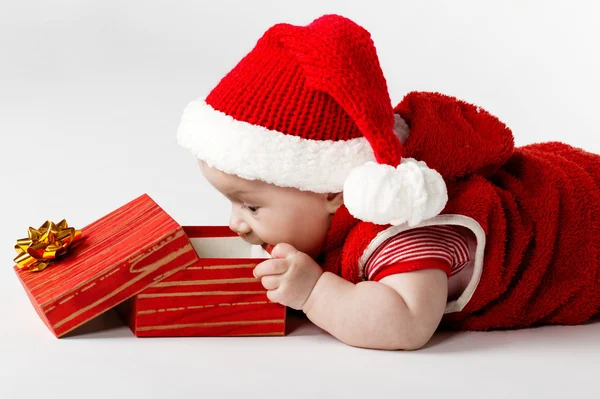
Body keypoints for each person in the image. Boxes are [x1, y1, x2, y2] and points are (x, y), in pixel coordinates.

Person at [176, 14, 600, 350]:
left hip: (576, 235)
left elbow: (408, 321)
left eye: (251, 206)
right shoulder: (333, 213)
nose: (236, 224)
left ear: (331, 191)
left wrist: (315, 293)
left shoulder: (406, 228)